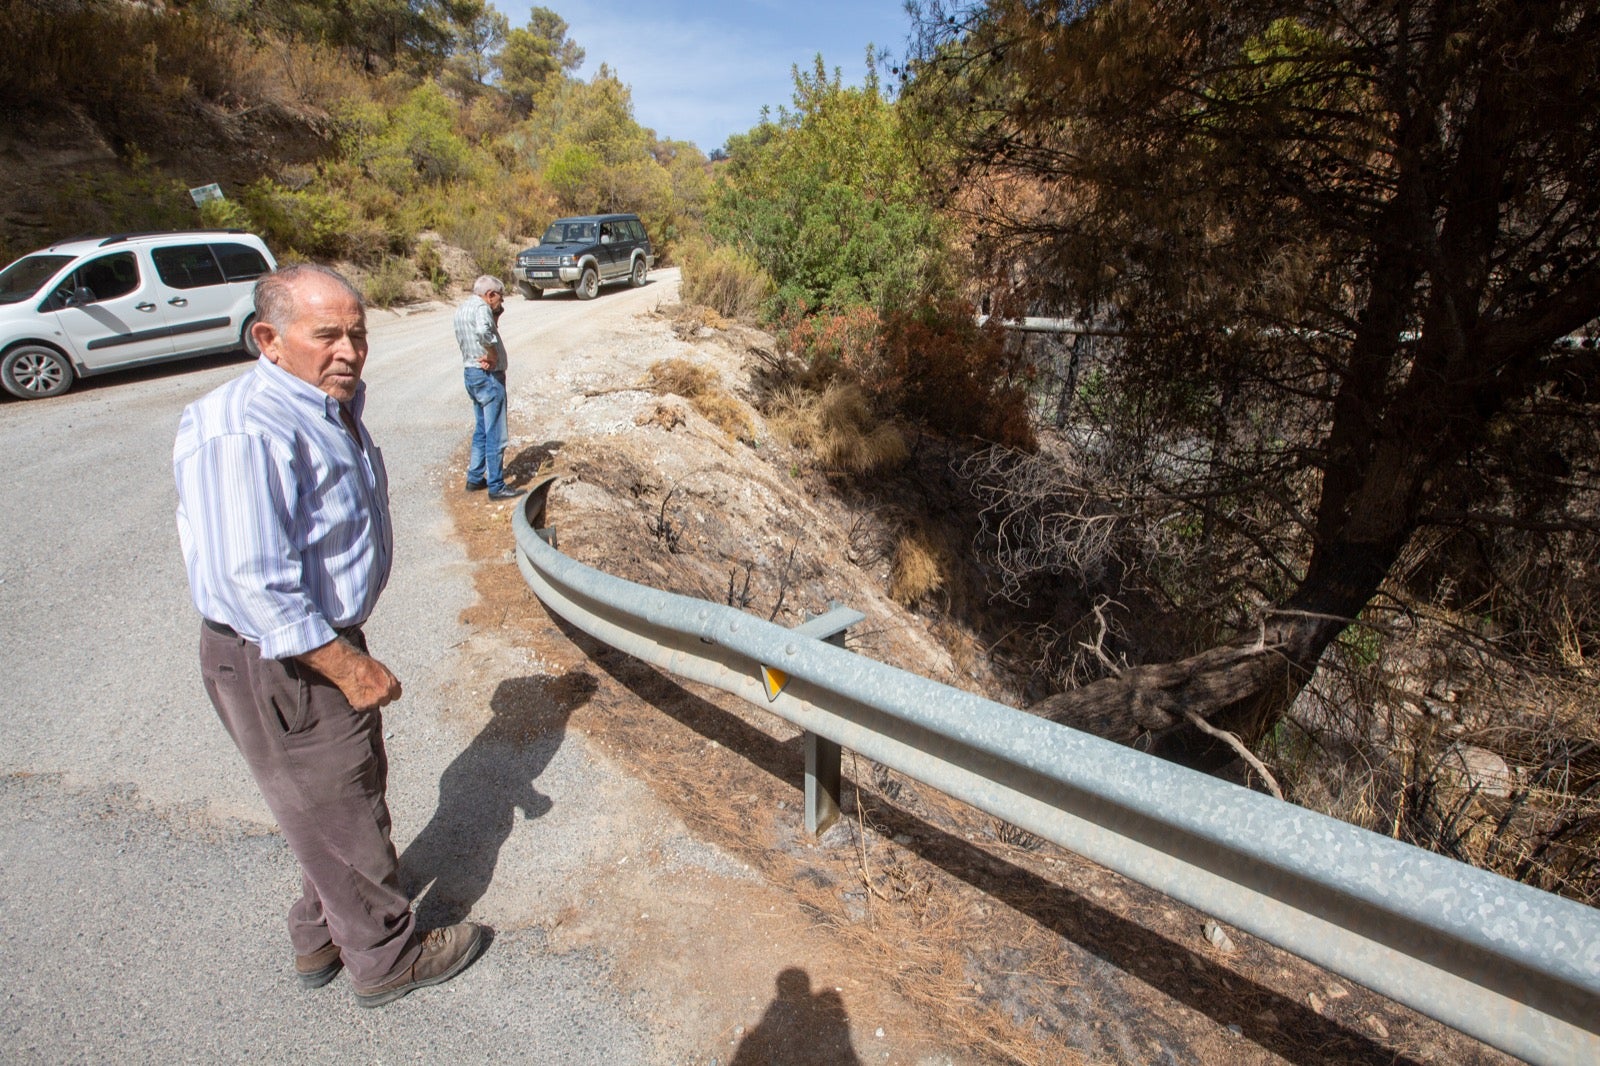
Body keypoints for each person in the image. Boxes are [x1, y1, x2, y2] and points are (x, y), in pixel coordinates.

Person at [173, 264, 486, 1007]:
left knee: (331, 798)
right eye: (327, 335)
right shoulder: (245, 427)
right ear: (269, 339)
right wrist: (346, 665)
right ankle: (386, 958)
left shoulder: (321, 404)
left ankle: (320, 935)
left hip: (314, 638)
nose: (348, 350)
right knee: (345, 806)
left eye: (358, 334)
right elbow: (252, 581)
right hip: (286, 654)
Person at [453, 275, 520, 500]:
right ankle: (496, 485)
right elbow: (483, 332)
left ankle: (475, 477)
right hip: (488, 376)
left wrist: (495, 318)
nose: (502, 302)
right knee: (495, 432)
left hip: (471, 373)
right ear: (490, 295)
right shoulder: (482, 309)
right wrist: (491, 354)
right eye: (500, 297)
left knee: (482, 427)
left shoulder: (463, 308)